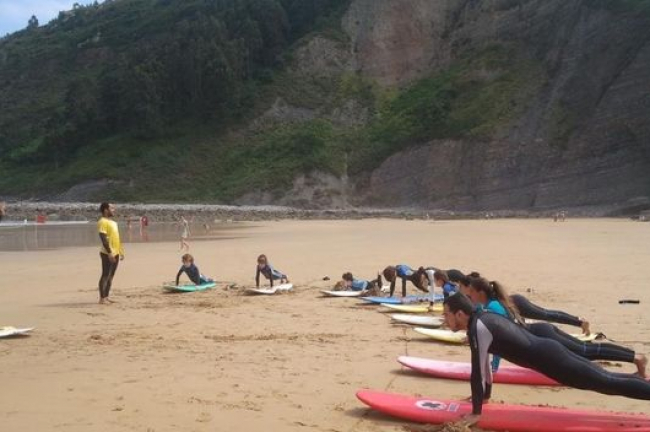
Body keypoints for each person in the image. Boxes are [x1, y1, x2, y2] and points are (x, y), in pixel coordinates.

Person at [442, 293, 650, 426]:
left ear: (460, 314)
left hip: (551, 360)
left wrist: (476, 412)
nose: (445, 320)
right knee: (607, 379)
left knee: (606, 382)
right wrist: (484, 398)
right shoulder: (482, 319)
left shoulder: (478, 327)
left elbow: (478, 371)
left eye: (447, 315)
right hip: (550, 353)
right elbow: (484, 367)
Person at [510, 293, 591, 334]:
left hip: (517, 305)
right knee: (547, 313)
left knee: (546, 315)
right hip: (516, 300)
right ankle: (579, 321)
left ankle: (580, 322)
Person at [97, 203, 124, 305]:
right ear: (105, 210)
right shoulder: (102, 222)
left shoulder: (113, 223)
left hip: (115, 252)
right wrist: (109, 253)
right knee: (105, 275)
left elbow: (116, 238)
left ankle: (106, 297)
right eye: (111, 208)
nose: (114, 210)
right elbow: (103, 239)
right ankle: (102, 298)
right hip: (107, 253)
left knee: (111, 276)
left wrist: (121, 251)